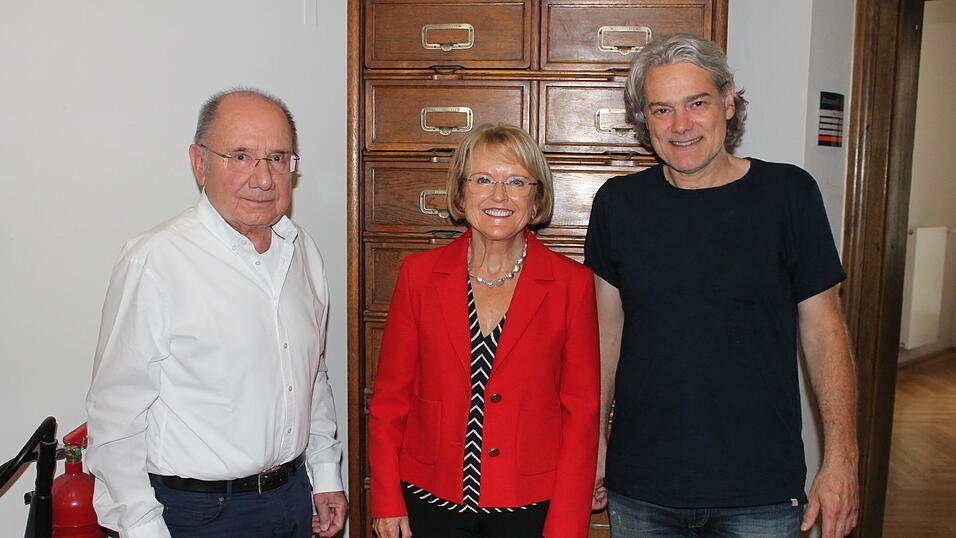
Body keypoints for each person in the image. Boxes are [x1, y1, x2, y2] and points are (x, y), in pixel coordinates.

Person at [585, 34, 859, 538]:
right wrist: (594, 442)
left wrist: (842, 457)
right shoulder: (618, 204)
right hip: (642, 487)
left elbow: (826, 333)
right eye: (662, 109)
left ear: (728, 102)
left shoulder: (789, 195)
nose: (680, 125)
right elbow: (605, 335)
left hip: (760, 491)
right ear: (645, 120)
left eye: (697, 103)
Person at [85, 89, 347, 538]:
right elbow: (115, 415)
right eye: (241, 156)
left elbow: (310, 374)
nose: (263, 178)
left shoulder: (302, 251)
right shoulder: (155, 261)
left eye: (278, 158)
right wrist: (141, 528)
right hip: (197, 514)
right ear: (199, 163)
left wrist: (324, 473)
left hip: (291, 497)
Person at [368, 124, 600, 538]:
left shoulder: (571, 284)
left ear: (537, 199)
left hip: (530, 506)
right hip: (429, 500)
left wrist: (567, 525)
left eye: (517, 182)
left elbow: (581, 415)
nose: (499, 195)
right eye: (483, 180)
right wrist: (386, 500)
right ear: (460, 194)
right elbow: (390, 401)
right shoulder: (419, 276)